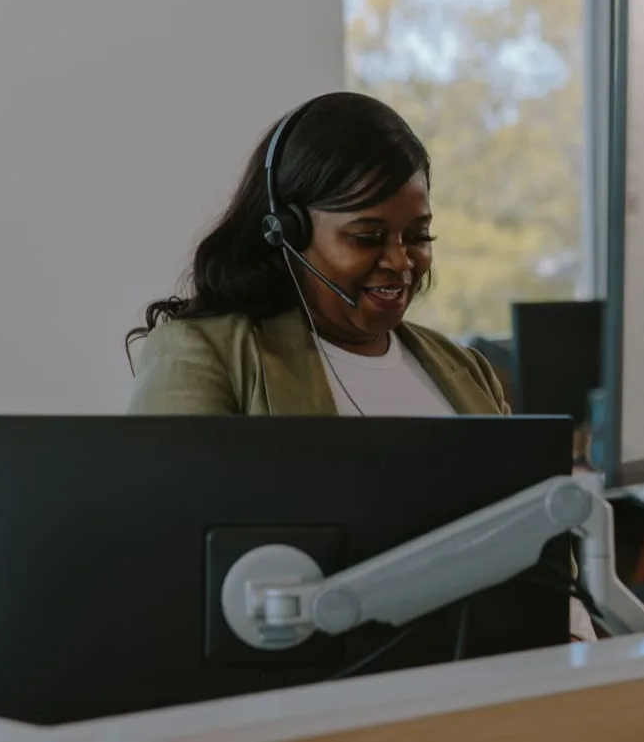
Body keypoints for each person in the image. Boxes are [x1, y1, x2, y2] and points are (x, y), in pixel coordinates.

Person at [126, 91, 596, 642]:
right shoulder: (205, 356)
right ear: (287, 234)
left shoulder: (463, 369)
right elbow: (161, 569)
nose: (400, 261)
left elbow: (543, 562)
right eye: (367, 237)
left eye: (418, 236)